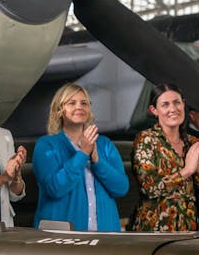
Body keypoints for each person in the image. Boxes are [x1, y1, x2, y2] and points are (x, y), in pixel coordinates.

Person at [32, 83, 129, 231]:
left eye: (84, 103)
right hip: (62, 240)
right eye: (72, 103)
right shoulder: (46, 145)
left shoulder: (105, 144)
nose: (79, 107)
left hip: (105, 239)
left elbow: (121, 188)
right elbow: (55, 188)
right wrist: (82, 154)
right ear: (60, 110)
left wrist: (97, 161)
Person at [131, 83, 199, 231]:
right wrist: (186, 171)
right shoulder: (146, 140)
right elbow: (149, 189)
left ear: (183, 104)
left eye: (177, 102)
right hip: (155, 228)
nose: (173, 109)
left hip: (188, 227)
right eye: (165, 105)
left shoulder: (192, 142)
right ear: (154, 110)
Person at [0, 126, 26, 227]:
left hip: (3, 224)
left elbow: (14, 195)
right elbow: (6, 177)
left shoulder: (4, 135)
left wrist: (16, 174)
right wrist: (4, 177)